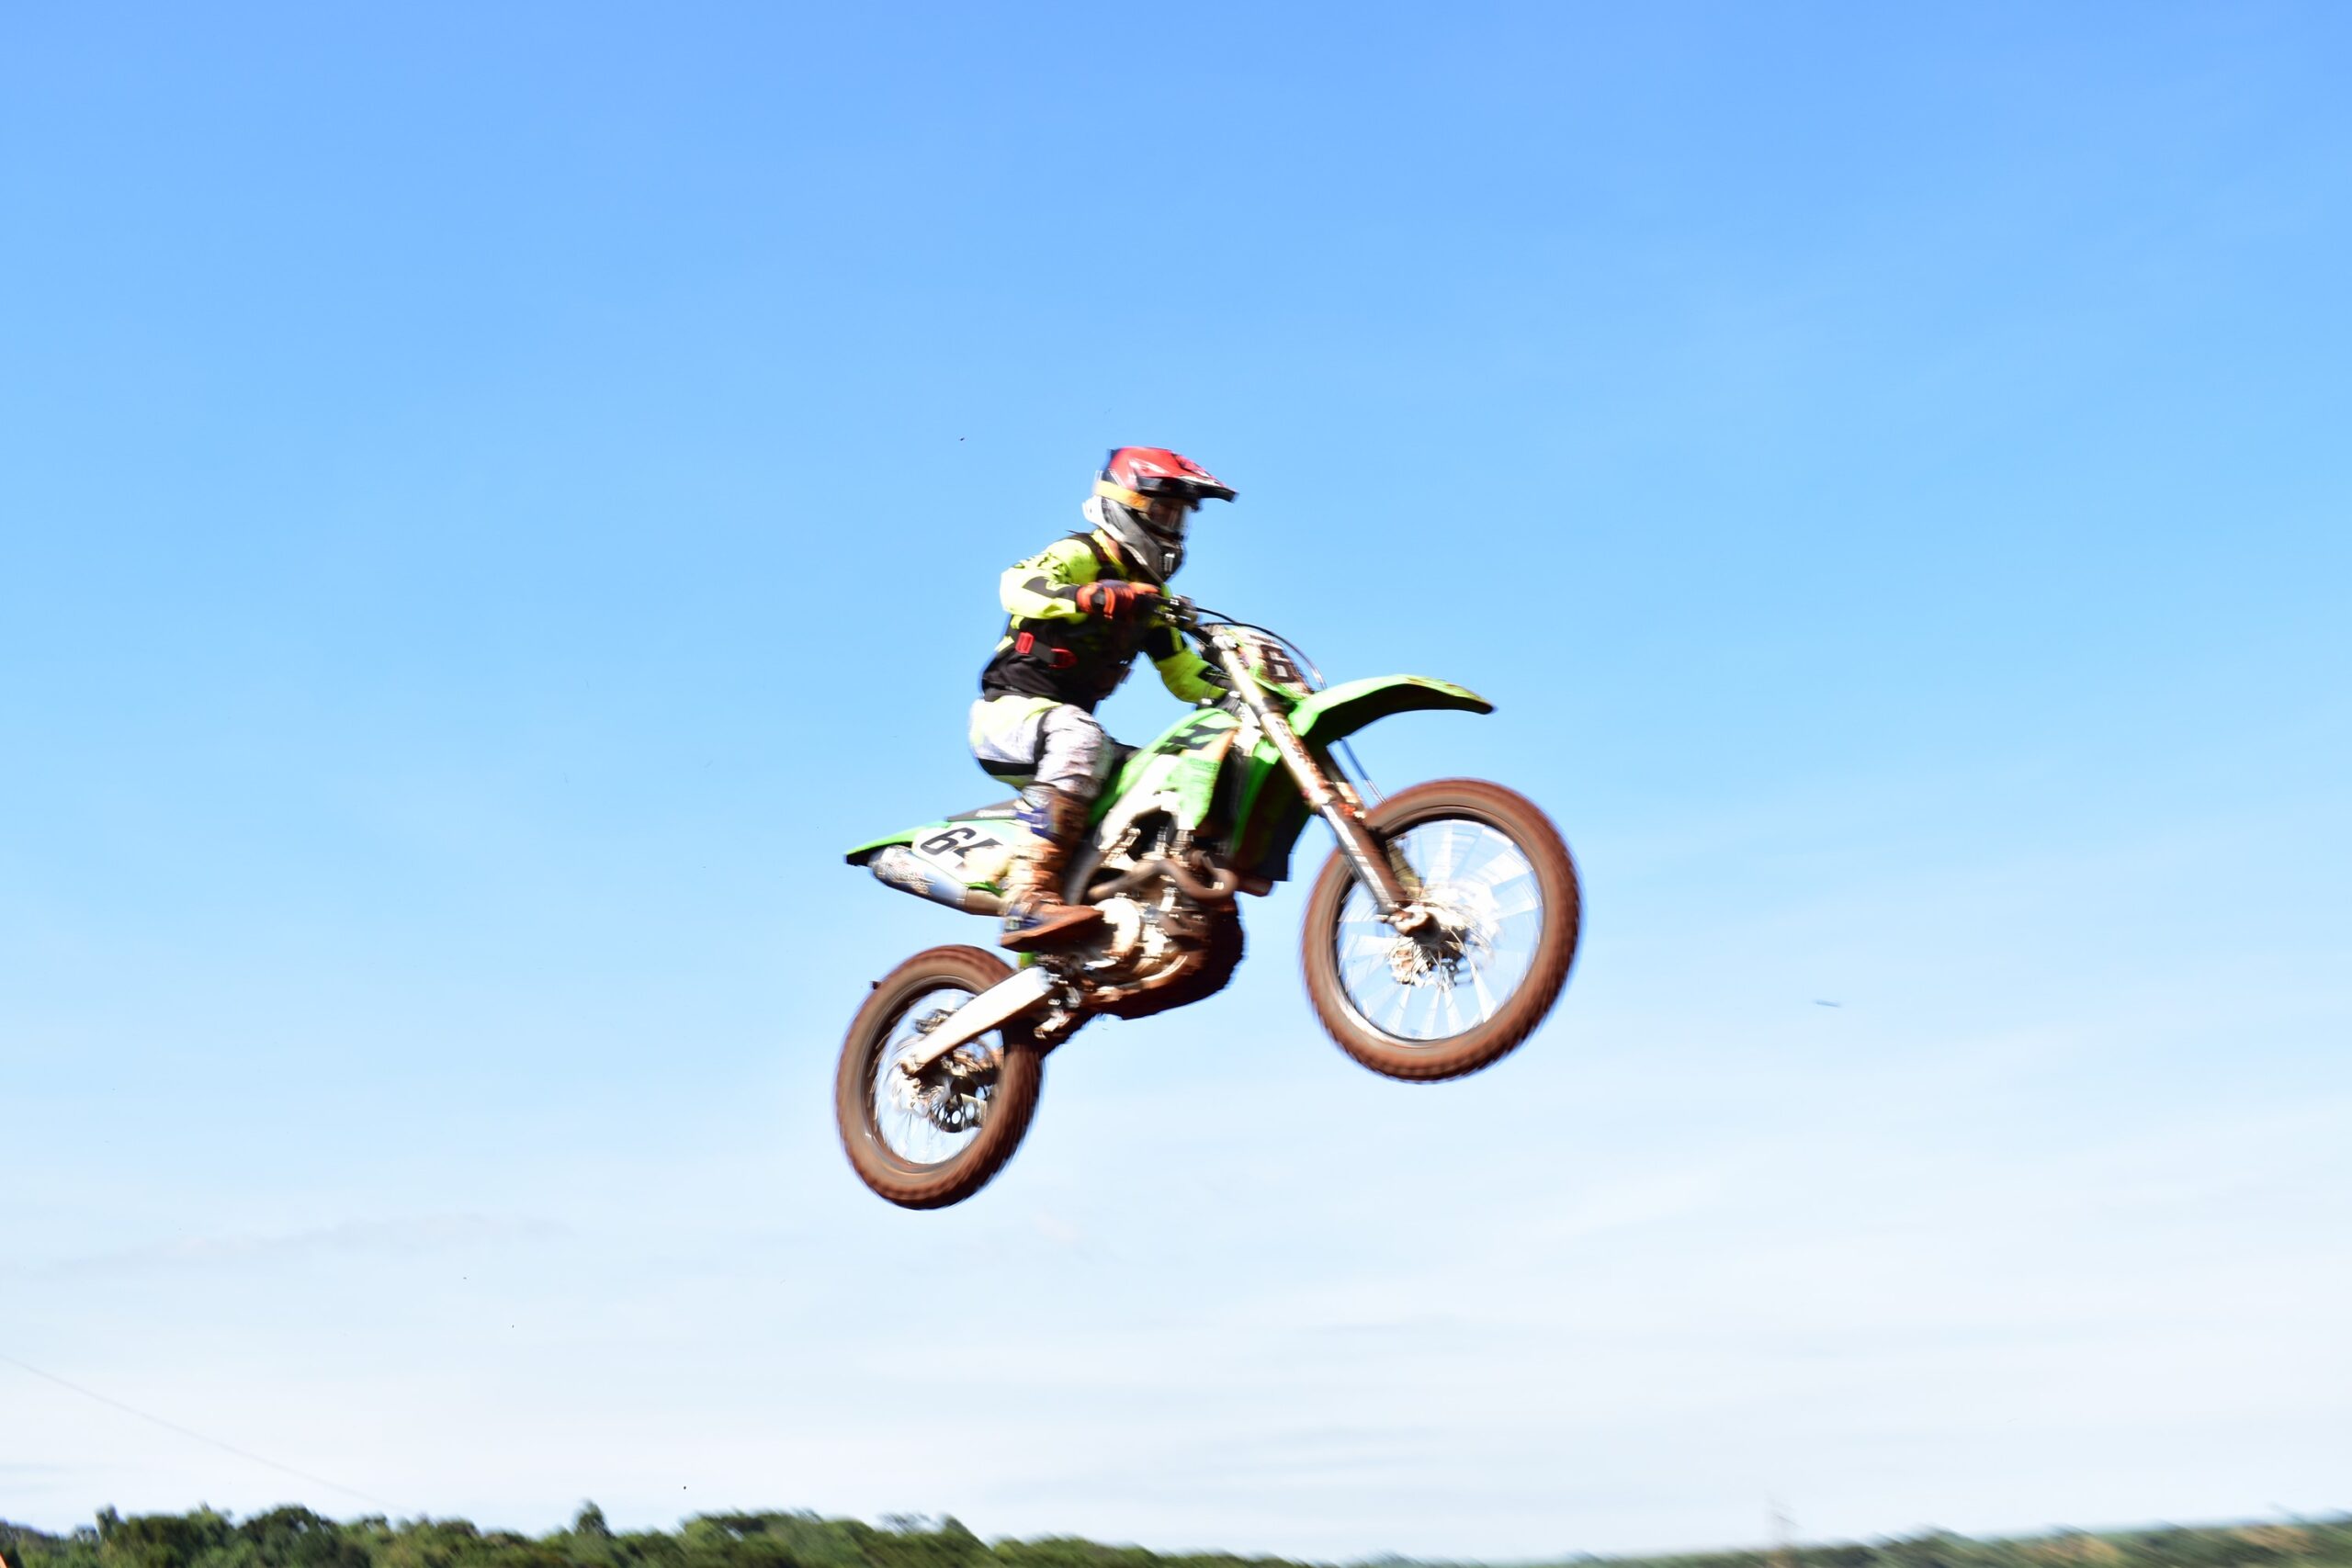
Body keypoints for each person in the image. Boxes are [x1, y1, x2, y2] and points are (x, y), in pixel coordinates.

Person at [970, 446, 1237, 950]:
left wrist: (1243, 684)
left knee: (1166, 772)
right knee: (1081, 736)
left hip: (1068, 730)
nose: (1172, 527)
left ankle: (1131, 895)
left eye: (1180, 517)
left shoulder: (1149, 599)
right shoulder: (1081, 555)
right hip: (1009, 717)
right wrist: (1088, 595)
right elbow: (1016, 585)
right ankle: (1026, 901)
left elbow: (1184, 675)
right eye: (1163, 512)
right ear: (1124, 505)